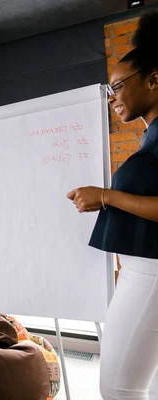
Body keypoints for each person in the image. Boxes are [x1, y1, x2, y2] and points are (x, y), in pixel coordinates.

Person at [67, 12, 158, 400]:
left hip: (151, 273)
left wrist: (105, 196)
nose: (112, 97)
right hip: (145, 268)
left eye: (118, 86)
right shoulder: (151, 137)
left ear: (154, 80)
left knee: (118, 388)